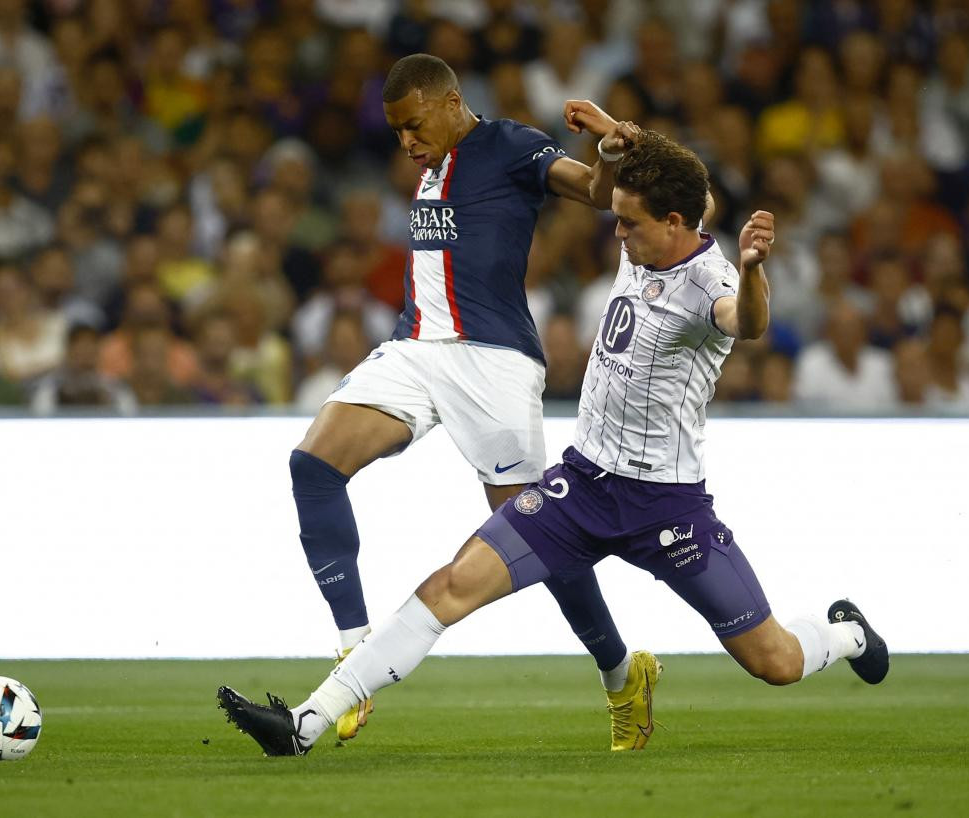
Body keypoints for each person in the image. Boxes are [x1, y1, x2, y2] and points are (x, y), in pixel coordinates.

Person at [218, 127, 889, 757]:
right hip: (581, 487)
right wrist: (610, 130)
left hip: (667, 509)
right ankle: (305, 723)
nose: (616, 232)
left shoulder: (712, 283)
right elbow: (687, 177)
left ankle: (847, 632)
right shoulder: (662, 224)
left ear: (676, 225)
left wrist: (752, 269)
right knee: (453, 585)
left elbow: (745, 323)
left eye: (629, 223)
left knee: (774, 661)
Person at [285, 53, 659, 748]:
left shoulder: (509, 144)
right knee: (312, 465)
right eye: (397, 132)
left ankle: (620, 674)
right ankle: (352, 652)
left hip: (493, 363)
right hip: (415, 350)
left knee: (543, 538)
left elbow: (597, 193)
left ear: (452, 102)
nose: (407, 143)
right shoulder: (433, 167)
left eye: (414, 125)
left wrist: (607, 154)